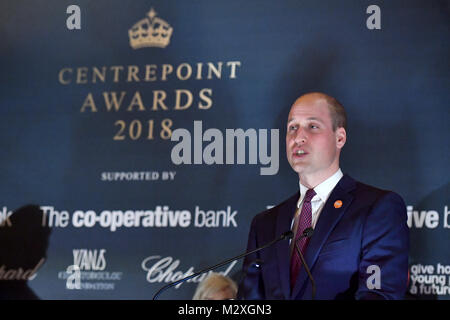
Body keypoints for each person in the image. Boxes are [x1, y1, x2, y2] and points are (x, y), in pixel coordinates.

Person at [237, 92, 409, 300]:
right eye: (292, 127)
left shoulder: (377, 208)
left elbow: (379, 294)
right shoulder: (264, 224)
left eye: (312, 126)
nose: (298, 137)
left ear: (340, 138)